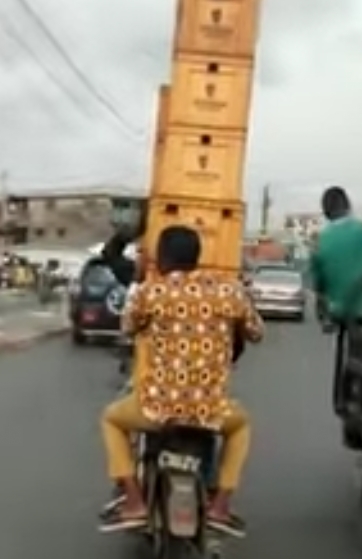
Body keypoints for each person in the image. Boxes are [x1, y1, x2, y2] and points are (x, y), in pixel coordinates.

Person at [99, 225, 264, 538]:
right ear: (197, 257)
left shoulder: (152, 291)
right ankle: (221, 505)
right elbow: (257, 333)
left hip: (156, 408)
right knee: (241, 427)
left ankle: (133, 501)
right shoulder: (229, 291)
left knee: (111, 420)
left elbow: (128, 327)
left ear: (161, 258)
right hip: (211, 410)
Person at [310, 187, 362, 414]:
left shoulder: (320, 240)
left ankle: (341, 399)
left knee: (344, 348)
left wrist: (324, 309)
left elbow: (318, 282)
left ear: (326, 212)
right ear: (348, 205)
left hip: (338, 310)